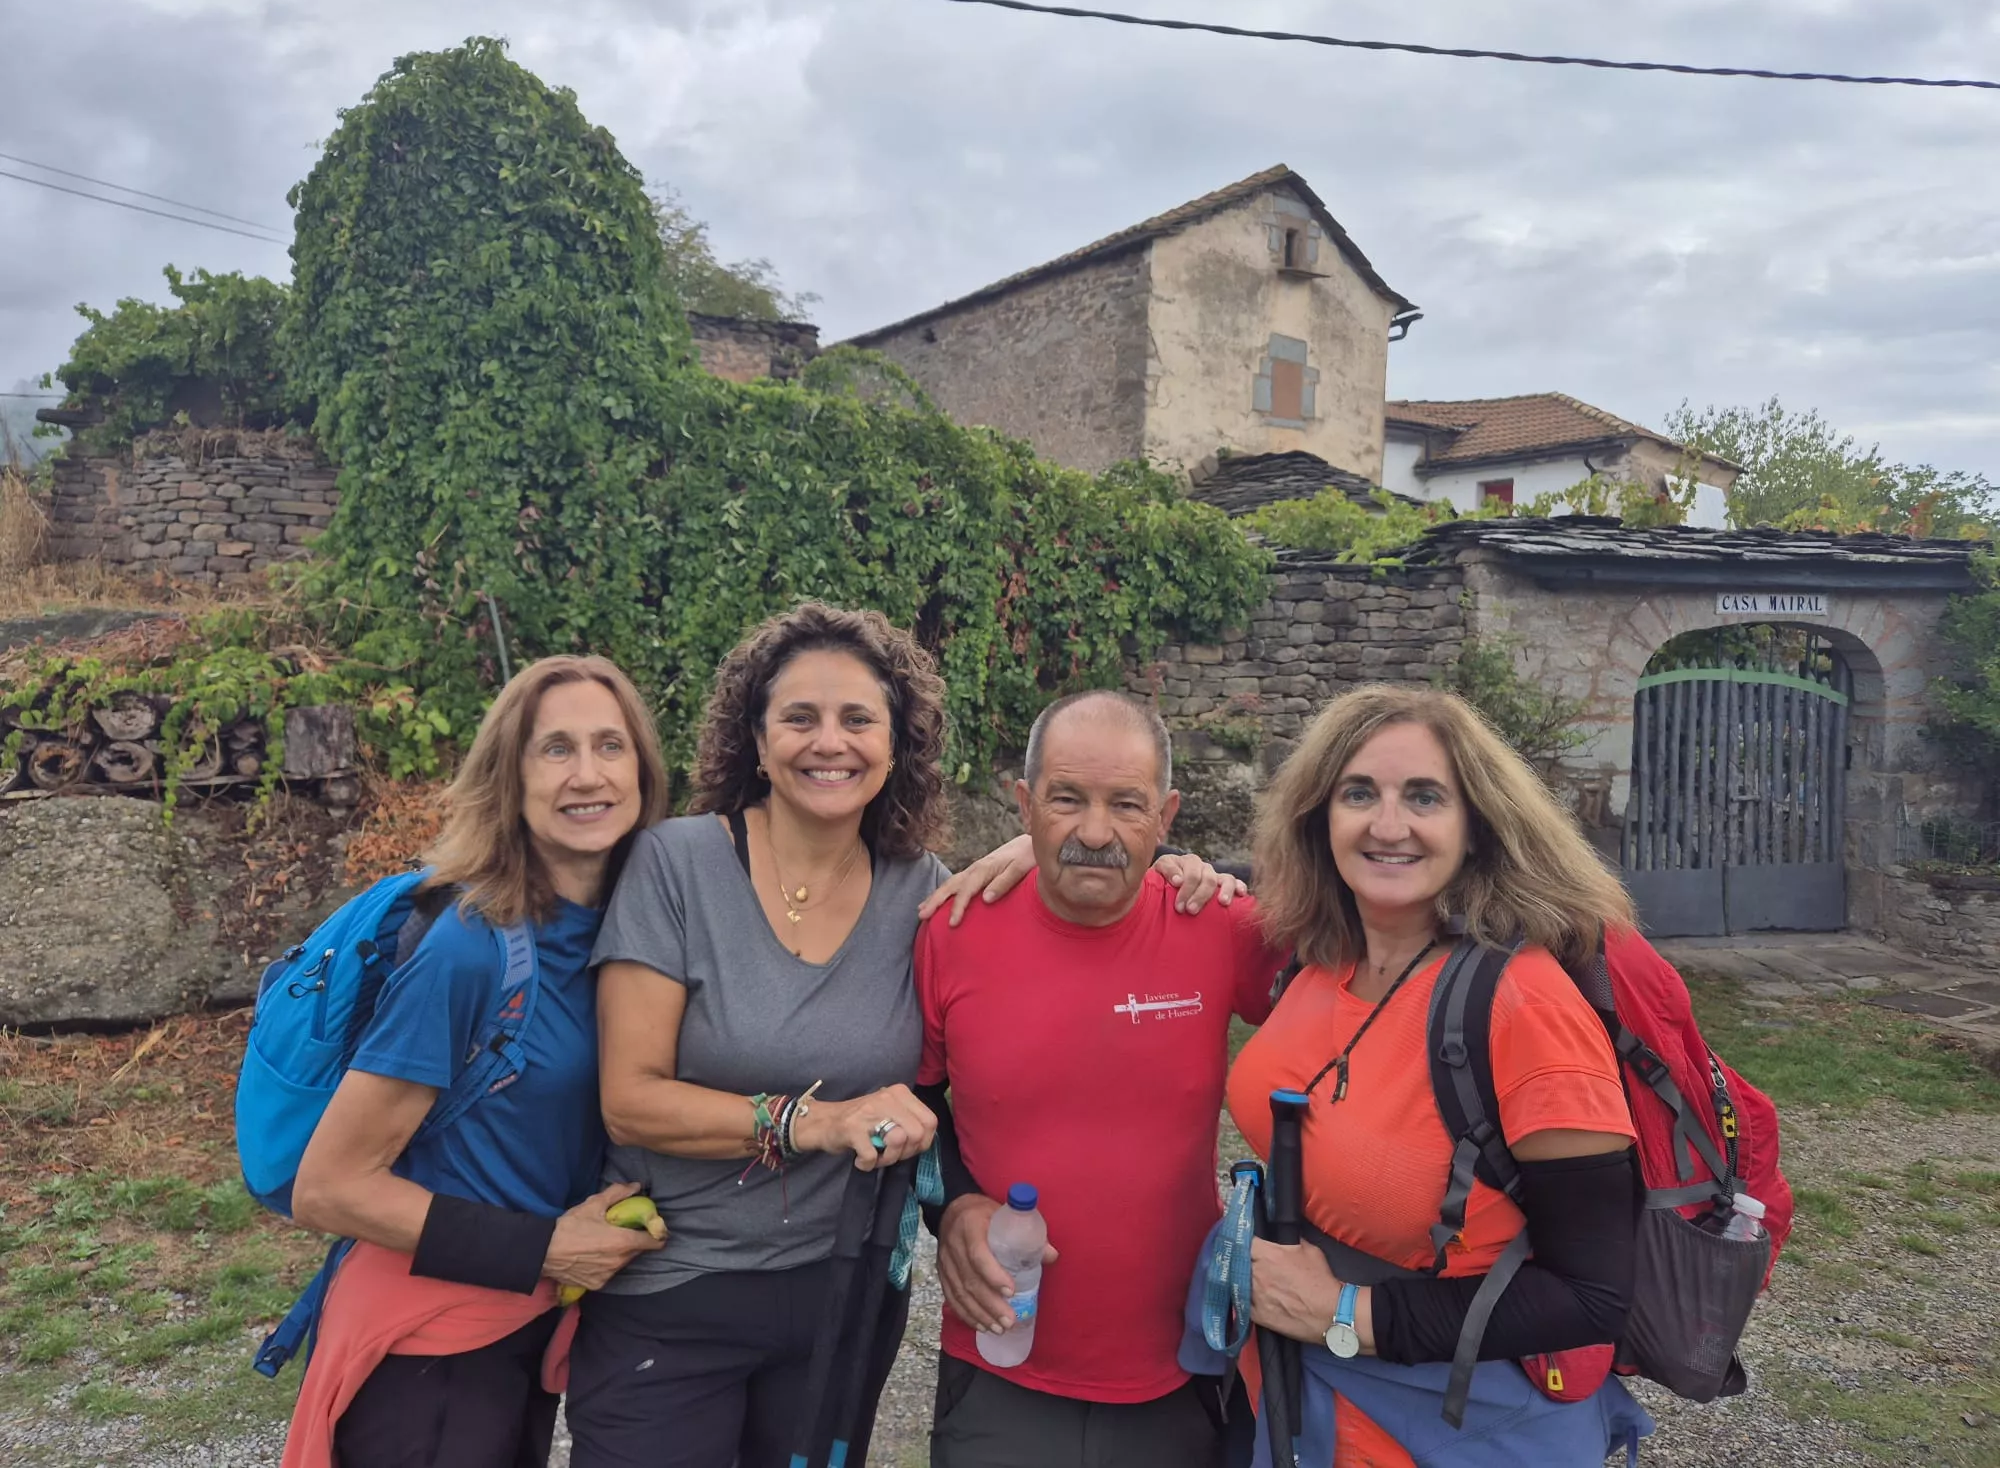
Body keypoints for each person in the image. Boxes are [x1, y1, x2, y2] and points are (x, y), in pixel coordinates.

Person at [568, 608, 1231, 1468]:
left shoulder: (928, 898)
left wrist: (1119, 853)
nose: (829, 743)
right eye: (799, 718)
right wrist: (820, 1124)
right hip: (678, 1282)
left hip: (842, 1291)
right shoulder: (677, 865)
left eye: (857, 720)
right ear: (757, 741)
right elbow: (629, 1100)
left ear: (895, 745)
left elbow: (948, 1076)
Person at [1228, 683, 1649, 1465]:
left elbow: (1593, 1296)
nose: (1389, 826)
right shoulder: (1318, 955)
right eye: (1360, 793)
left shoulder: (1523, 1007)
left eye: (1424, 796)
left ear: (1474, 826)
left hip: (1464, 1427)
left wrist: (1344, 1312)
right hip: (1302, 1400)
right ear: (1320, 816)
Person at [284, 655, 674, 1468]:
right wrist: (543, 1248)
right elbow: (329, 1186)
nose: (588, 774)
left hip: (516, 1332)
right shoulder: (469, 947)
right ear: (511, 776)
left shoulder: (628, 932)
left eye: (611, 745)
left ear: (642, 770)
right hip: (429, 1353)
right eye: (555, 749)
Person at [916, 690, 1289, 1468]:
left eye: (1126, 804)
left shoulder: (1218, 923)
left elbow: (1360, 926)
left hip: (1179, 1366)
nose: (1094, 832)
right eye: (1065, 800)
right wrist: (951, 1207)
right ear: (1023, 804)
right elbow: (910, 1102)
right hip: (1000, 1363)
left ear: (1167, 815)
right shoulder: (950, 931)